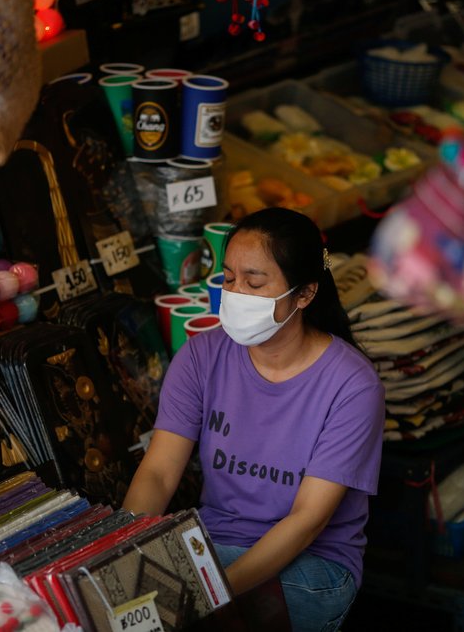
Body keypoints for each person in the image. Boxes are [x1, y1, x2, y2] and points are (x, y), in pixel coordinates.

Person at [122, 207, 385, 632]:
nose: (236, 293)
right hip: (212, 544)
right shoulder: (201, 356)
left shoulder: (353, 385)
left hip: (312, 563)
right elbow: (158, 473)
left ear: (304, 294)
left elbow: (307, 520)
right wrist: (120, 553)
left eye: (254, 282)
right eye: (228, 279)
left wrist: (214, 592)